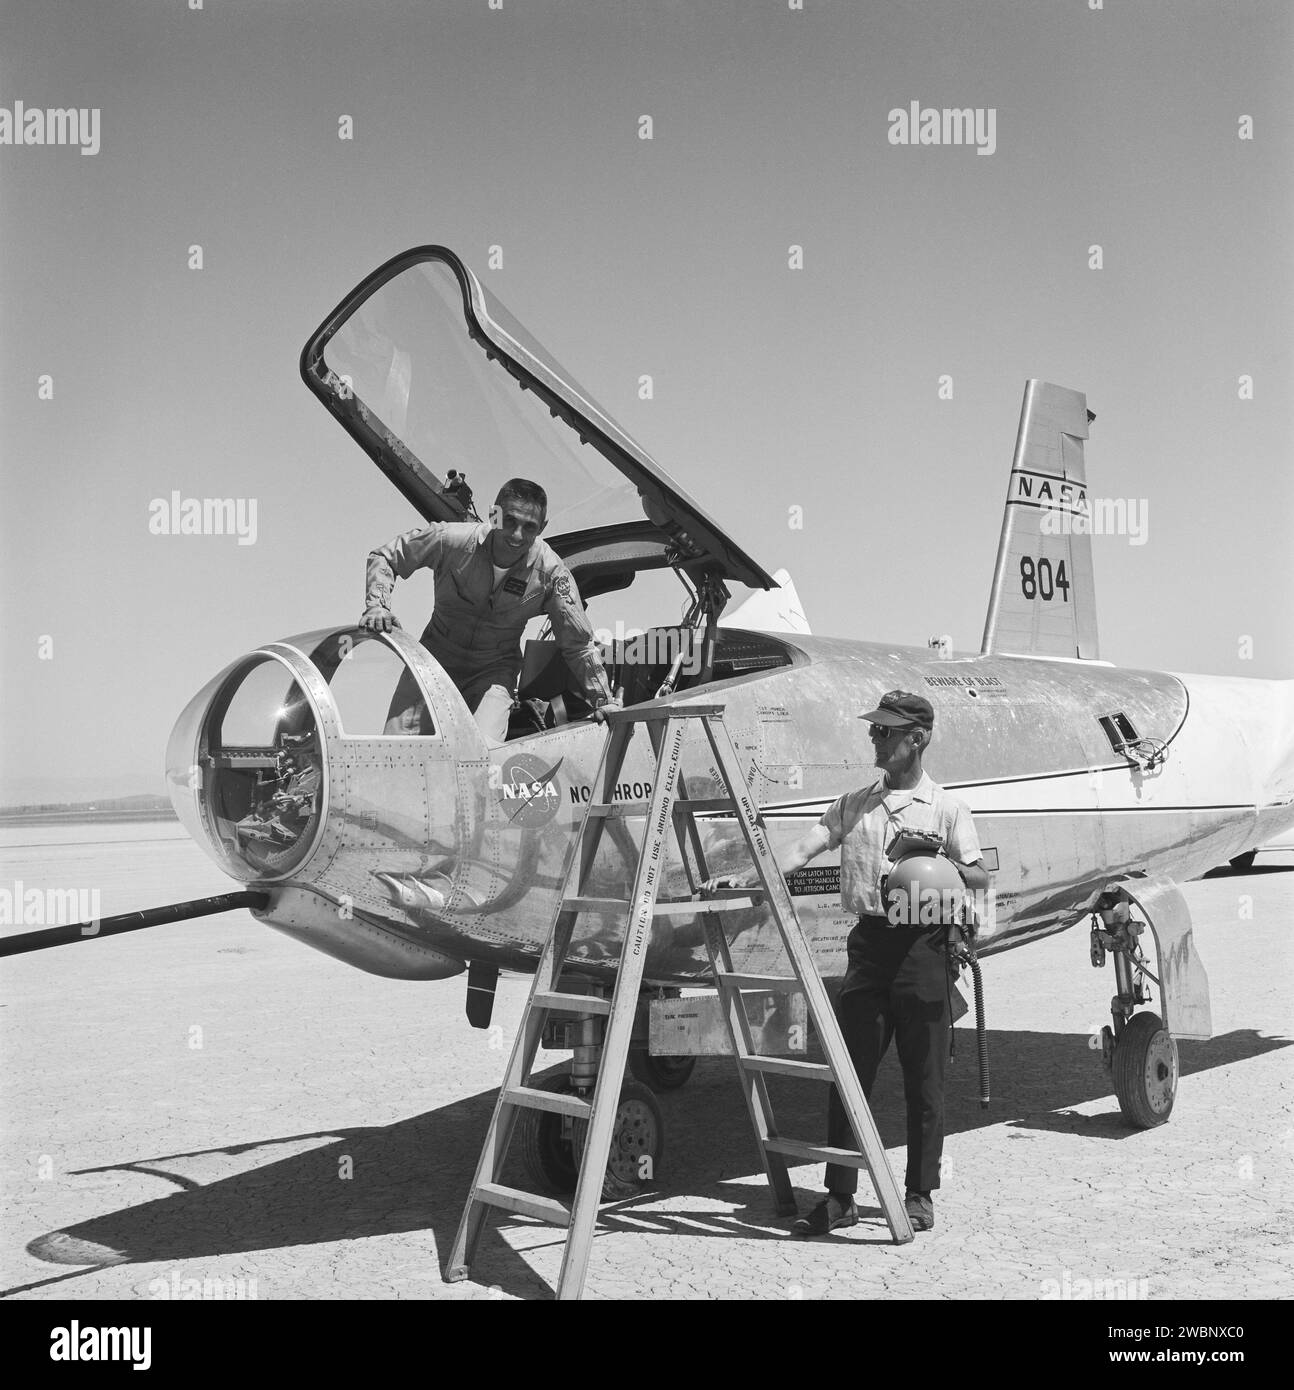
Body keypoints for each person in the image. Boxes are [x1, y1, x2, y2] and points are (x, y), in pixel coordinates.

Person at [707, 690, 988, 1236]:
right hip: (870, 949)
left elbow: (978, 876)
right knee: (847, 1076)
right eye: (874, 730)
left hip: (925, 949)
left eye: (887, 732)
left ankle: (919, 1194)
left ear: (918, 739)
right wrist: (749, 876)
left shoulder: (948, 809)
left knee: (923, 1079)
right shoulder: (853, 804)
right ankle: (840, 1196)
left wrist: (933, 854)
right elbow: (802, 849)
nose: (875, 739)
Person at [360, 477, 620, 743]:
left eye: (529, 527)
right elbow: (386, 557)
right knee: (395, 746)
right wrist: (377, 606)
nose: (517, 535)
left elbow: (577, 643)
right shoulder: (450, 540)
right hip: (433, 663)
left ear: (542, 527)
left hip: (493, 673)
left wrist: (603, 699)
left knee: (486, 753)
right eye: (509, 521)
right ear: (493, 514)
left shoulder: (552, 574)